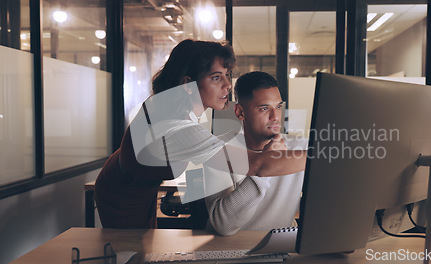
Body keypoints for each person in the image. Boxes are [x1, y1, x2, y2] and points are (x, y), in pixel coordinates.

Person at [95, 40, 307, 229]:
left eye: (227, 75)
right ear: (188, 84)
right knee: (129, 255)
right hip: (121, 196)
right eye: (216, 77)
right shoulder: (177, 127)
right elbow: (258, 165)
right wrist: (325, 154)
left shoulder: (175, 112)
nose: (227, 85)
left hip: (138, 188)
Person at [205, 71, 308, 236]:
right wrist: (265, 165)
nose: (275, 117)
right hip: (229, 251)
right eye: (264, 108)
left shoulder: (301, 147)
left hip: (280, 249)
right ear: (240, 112)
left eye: (278, 107)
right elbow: (223, 225)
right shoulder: (217, 150)